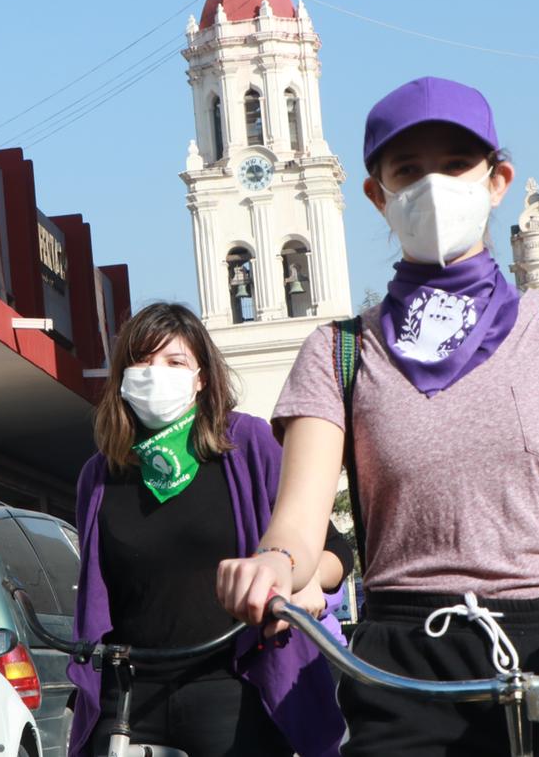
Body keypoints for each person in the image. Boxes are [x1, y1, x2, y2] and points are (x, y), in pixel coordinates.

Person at [215, 76, 539, 757]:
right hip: (407, 664)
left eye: (456, 164)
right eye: (408, 170)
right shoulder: (339, 351)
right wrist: (271, 563)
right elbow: (297, 519)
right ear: (376, 195)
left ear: (498, 179)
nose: (433, 186)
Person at [70, 302, 352, 757]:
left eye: (174, 361)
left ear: (202, 378)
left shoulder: (249, 445)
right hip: (129, 697)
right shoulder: (99, 475)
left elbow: (336, 551)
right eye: (141, 361)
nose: (154, 372)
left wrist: (303, 583)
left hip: (232, 688)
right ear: (121, 378)